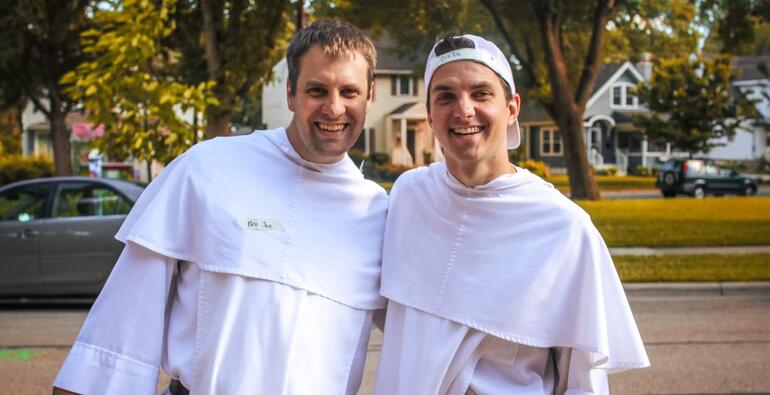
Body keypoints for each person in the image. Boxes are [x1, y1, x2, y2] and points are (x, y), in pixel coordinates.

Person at [53, 19, 388, 395]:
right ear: (291, 93)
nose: (334, 107)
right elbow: (125, 322)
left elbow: (429, 331)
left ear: (369, 97)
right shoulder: (208, 168)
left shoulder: (379, 214)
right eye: (317, 90)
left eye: (350, 91)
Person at [374, 34, 649, 394]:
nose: (464, 109)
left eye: (481, 93)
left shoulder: (563, 227)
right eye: (446, 96)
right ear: (429, 113)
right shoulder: (408, 196)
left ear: (512, 108)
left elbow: (583, 381)